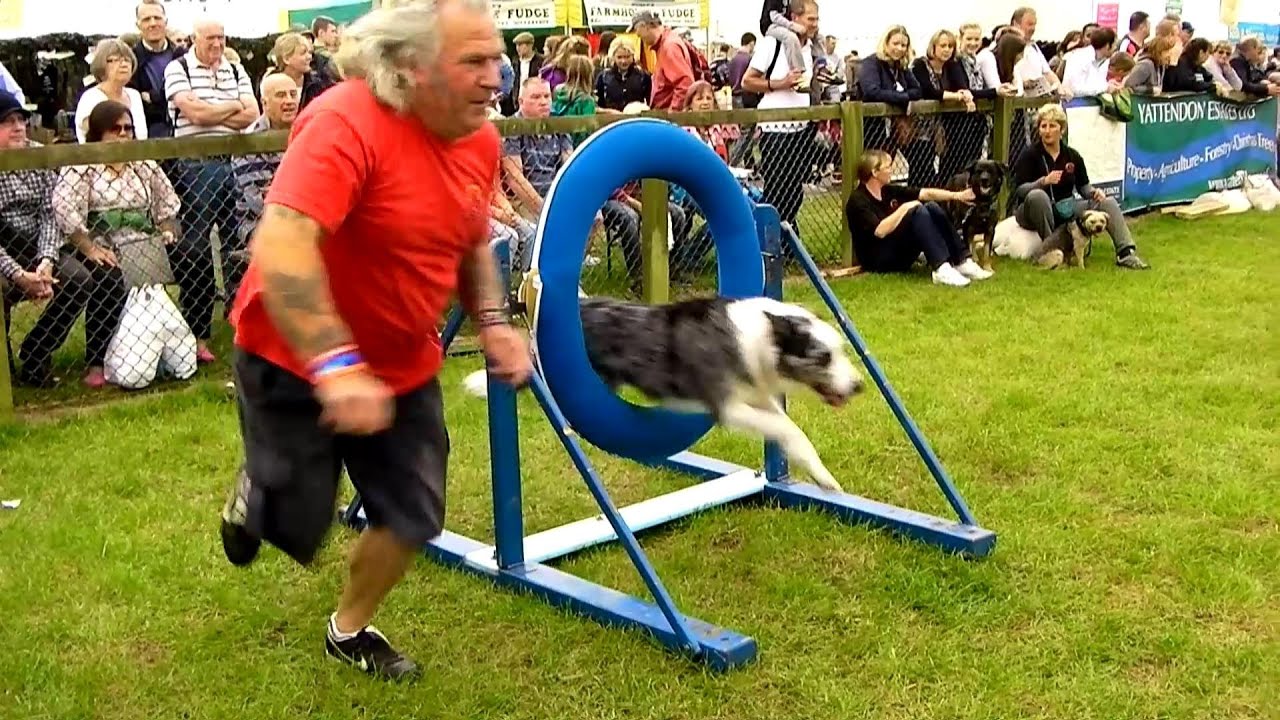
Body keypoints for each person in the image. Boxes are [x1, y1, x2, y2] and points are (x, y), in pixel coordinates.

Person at [219, 0, 532, 681]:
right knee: (297, 521)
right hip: (293, 354)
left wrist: (496, 321)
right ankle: (258, 492)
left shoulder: (478, 139)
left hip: (401, 361)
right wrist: (335, 364)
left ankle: (349, 630)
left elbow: (471, 238)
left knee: (413, 514)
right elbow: (283, 242)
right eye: (473, 61)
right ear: (412, 67)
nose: (495, 77)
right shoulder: (344, 122)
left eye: (497, 58)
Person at [1010, 104, 1149, 270]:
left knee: (1108, 202)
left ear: (1061, 130)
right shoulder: (1030, 154)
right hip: (1032, 210)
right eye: (1043, 126)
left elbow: (1083, 188)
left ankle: (1126, 253)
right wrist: (1043, 182)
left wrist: (1093, 192)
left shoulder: (1072, 155)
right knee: (1037, 196)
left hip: (1065, 207)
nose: (1047, 131)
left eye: (1052, 126)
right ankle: (1053, 251)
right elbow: (1020, 190)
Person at [845, 149, 991, 288]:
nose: (892, 169)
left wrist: (957, 196)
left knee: (932, 206)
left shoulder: (887, 190)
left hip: (898, 252)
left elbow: (925, 193)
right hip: (878, 259)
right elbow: (880, 231)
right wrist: (906, 207)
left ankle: (962, 261)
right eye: (888, 167)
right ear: (875, 172)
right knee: (917, 212)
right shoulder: (858, 200)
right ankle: (941, 268)